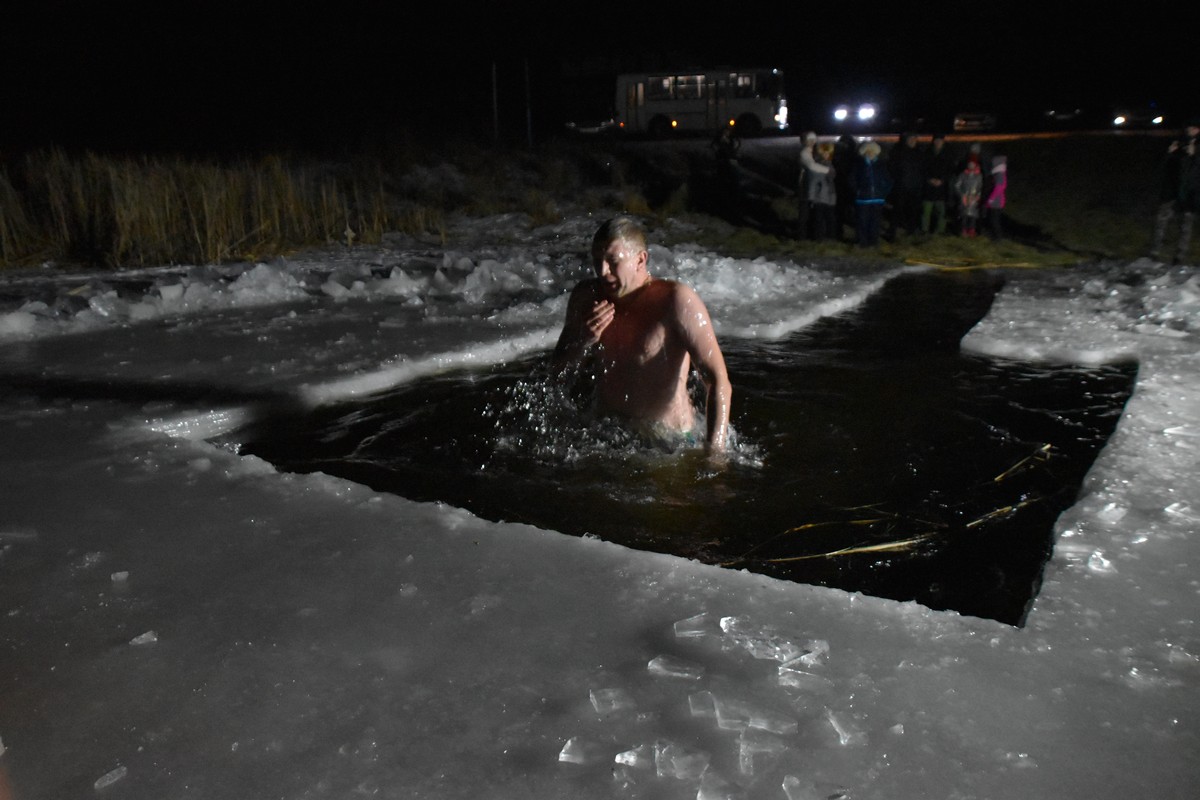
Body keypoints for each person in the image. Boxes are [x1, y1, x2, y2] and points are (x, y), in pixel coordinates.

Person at [552, 216, 732, 454]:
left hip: (670, 443)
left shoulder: (676, 301)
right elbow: (555, 372)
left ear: (640, 259)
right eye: (597, 261)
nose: (602, 271)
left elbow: (718, 382)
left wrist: (715, 452)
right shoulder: (587, 297)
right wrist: (582, 341)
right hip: (606, 435)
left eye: (612, 261)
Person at [1150, 120, 1200, 263]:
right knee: (1161, 220)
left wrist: (1194, 155)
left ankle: (1180, 255)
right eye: (1190, 127)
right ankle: (1154, 251)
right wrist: (1169, 153)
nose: (1191, 130)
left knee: (1186, 224)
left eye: (1195, 128)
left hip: (1190, 191)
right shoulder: (1179, 142)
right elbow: (1162, 165)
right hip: (1171, 189)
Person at [853, 140, 892, 246]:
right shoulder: (859, 165)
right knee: (862, 222)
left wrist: (883, 192)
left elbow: (888, 180)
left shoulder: (881, 165)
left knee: (875, 222)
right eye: (868, 151)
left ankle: (873, 243)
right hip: (863, 199)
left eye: (872, 151)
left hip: (878, 199)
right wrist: (857, 191)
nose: (870, 153)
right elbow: (852, 180)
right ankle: (863, 243)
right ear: (864, 152)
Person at [888, 133, 924, 236]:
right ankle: (892, 231)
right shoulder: (897, 151)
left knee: (913, 210)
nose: (912, 140)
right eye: (910, 138)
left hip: (914, 186)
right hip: (901, 186)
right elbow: (892, 168)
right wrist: (897, 180)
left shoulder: (918, 152)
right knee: (897, 209)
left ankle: (911, 230)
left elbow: (922, 169)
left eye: (914, 138)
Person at [797, 131, 830, 239]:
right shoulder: (804, 153)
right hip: (806, 186)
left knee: (815, 213)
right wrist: (827, 170)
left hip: (816, 186)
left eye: (813, 140)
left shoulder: (816, 152)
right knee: (804, 213)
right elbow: (811, 166)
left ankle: (814, 235)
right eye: (809, 140)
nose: (812, 142)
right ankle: (802, 236)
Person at [920, 134, 954, 235]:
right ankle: (924, 229)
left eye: (940, 140)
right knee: (926, 210)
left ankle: (941, 230)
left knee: (941, 211)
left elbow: (950, 170)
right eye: (936, 140)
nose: (938, 142)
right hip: (929, 187)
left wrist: (942, 180)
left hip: (942, 188)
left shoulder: (948, 154)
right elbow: (923, 169)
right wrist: (929, 179)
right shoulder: (927, 153)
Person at [808, 141, 838, 240]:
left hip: (829, 196)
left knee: (829, 218)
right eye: (825, 153)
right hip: (820, 197)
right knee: (819, 219)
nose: (826, 155)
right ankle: (819, 238)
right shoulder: (818, 166)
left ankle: (830, 237)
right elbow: (813, 182)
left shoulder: (829, 164)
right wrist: (812, 198)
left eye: (828, 153)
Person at [954, 156, 984, 237]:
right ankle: (963, 230)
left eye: (972, 164)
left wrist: (977, 196)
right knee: (964, 215)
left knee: (973, 216)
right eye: (969, 164)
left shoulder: (979, 176)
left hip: (974, 199)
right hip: (964, 198)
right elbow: (957, 185)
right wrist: (962, 195)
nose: (970, 165)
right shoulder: (963, 174)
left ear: (975, 165)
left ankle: (971, 230)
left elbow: (980, 187)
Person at [986, 155, 1008, 239]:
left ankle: (997, 237)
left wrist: (991, 199)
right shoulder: (998, 174)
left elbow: (998, 188)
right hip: (996, 201)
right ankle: (994, 235)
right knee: (993, 219)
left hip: (996, 201)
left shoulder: (1000, 175)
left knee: (994, 220)